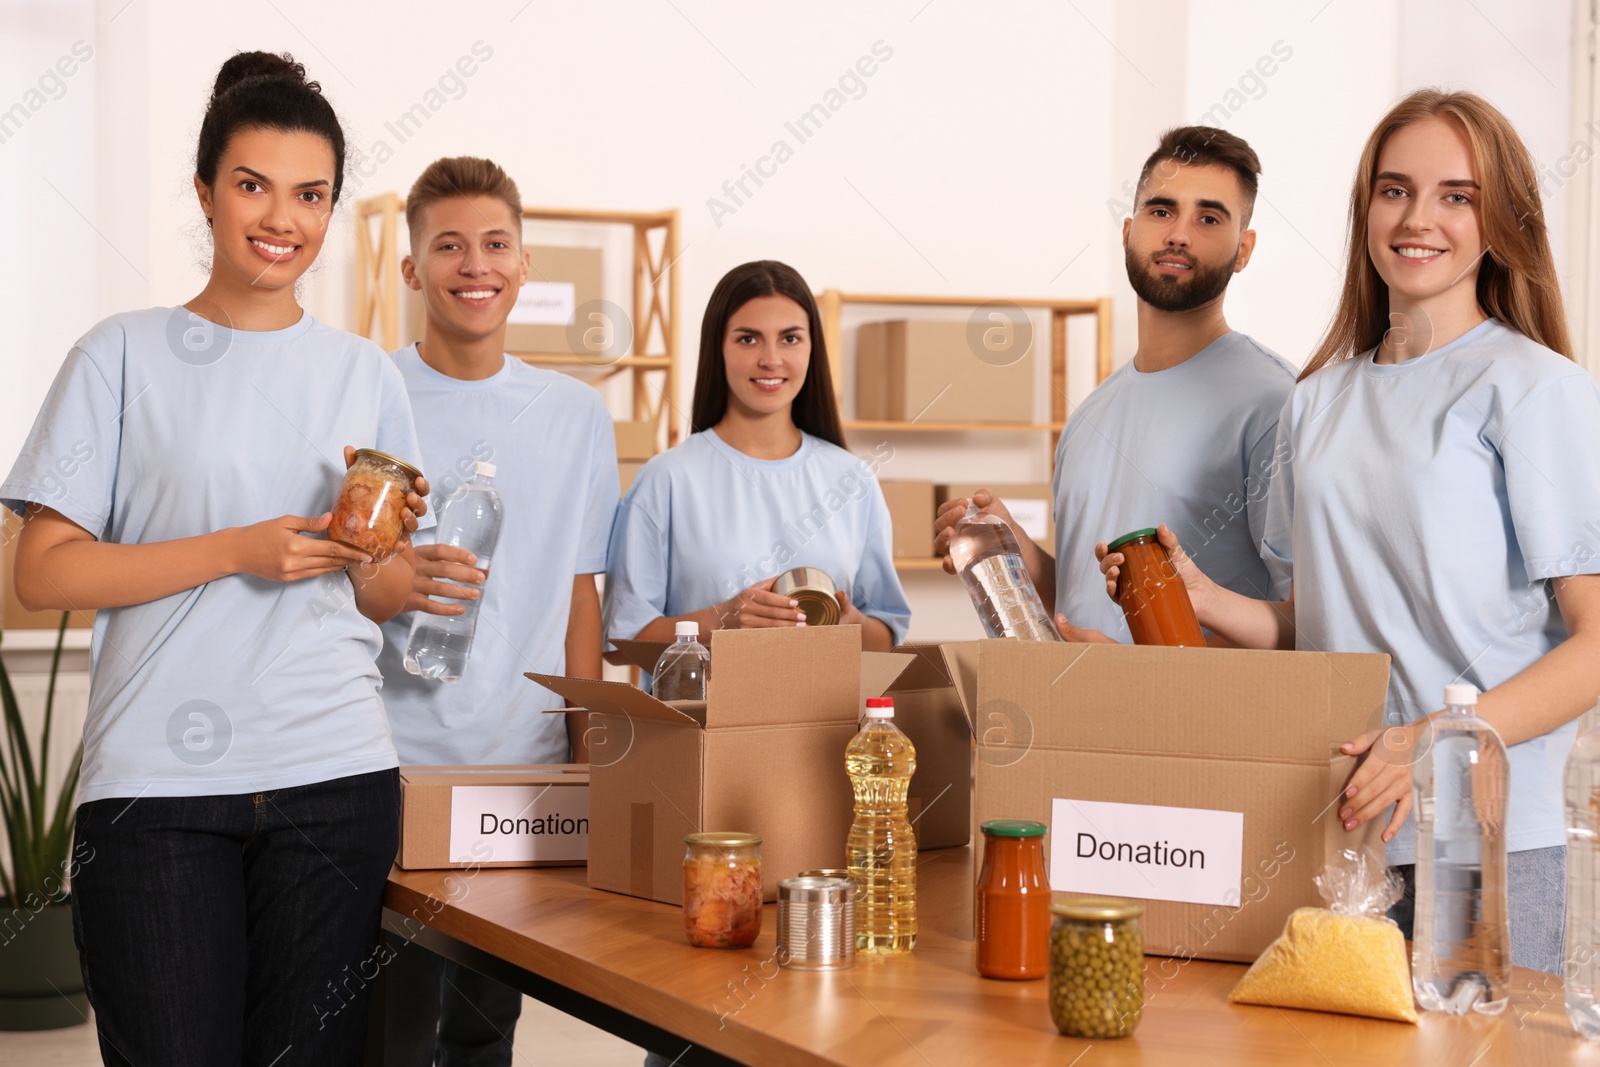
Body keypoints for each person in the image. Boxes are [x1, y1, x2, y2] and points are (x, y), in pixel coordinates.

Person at [1100, 90, 1600, 974]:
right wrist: (1205, 595)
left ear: (1502, 218)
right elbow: (1316, 624)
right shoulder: (1319, 398)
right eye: (1394, 189)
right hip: (1343, 825)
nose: (1418, 219)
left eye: (1457, 195)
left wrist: (1433, 741)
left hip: (1481, 842)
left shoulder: (1533, 388)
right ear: (1365, 205)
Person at [2, 52, 429, 1065]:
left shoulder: (364, 371)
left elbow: (371, 590)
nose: (283, 218)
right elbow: (44, 572)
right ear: (205, 191)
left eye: (311, 194)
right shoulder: (120, 353)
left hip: (334, 774)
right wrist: (236, 549)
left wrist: (398, 570)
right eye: (253, 185)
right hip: (155, 793)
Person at [374, 156, 619, 1065]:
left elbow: (579, 592)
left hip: (519, 764)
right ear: (412, 269)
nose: (473, 265)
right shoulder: (371, 390)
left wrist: (590, 749)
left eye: (494, 245)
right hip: (385, 757)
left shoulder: (574, 414)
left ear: (523, 266)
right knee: (385, 1026)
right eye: (448, 246)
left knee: (483, 1027)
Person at [934, 127, 1295, 643]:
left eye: (1209, 218)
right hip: (1083, 715)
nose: (1178, 234)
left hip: (1207, 721)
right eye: (1161, 211)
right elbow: (1084, 598)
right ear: (1128, 230)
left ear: (1244, 250)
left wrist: (1137, 671)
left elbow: (1312, 629)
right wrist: (1019, 549)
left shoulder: (1276, 404)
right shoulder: (1088, 416)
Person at [604, 259, 910, 655]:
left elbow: (886, 631)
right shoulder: (666, 480)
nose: (771, 359)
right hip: (702, 716)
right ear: (719, 348)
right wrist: (721, 622)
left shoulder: (852, 480)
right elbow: (621, 641)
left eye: (790, 338)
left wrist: (850, 625)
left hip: (827, 715)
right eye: (748, 339)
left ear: (812, 348)